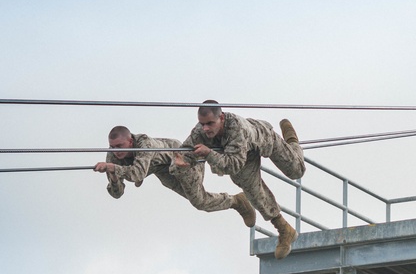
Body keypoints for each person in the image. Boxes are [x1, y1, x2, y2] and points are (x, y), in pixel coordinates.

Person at [173, 100, 305, 260]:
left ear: (221, 118)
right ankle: (284, 230)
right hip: (240, 155)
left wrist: (209, 153)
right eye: (202, 124)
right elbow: (187, 150)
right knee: (249, 186)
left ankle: (292, 140)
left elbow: (232, 165)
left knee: (296, 171)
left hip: (262, 139)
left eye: (210, 123)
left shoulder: (237, 128)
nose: (206, 128)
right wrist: (182, 162)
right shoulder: (199, 131)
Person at [94, 126, 255, 226]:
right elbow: (117, 194)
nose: (116, 151)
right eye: (112, 147)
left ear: (130, 142)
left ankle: (236, 201)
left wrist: (115, 168)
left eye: (120, 146)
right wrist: (114, 176)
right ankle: (236, 201)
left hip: (183, 161)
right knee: (200, 202)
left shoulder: (145, 144)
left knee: (199, 201)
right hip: (163, 170)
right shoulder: (113, 156)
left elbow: (137, 173)